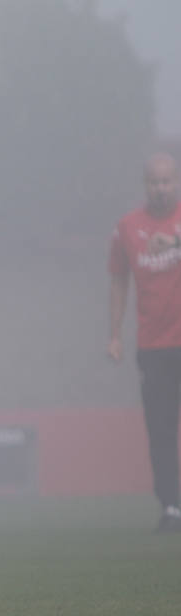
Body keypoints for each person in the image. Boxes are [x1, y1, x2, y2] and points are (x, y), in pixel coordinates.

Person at [109, 152, 181, 533]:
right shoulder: (126, 227)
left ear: (177, 181)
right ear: (145, 184)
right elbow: (119, 280)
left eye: (167, 181)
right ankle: (171, 507)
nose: (161, 188)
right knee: (161, 431)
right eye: (154, 181)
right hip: (154, 347)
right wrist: (114, 334)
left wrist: (174, 241)